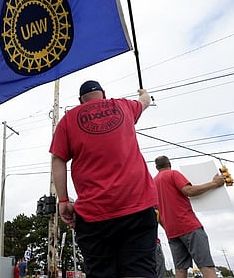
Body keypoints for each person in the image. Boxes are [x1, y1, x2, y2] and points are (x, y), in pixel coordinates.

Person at [50, 80, 158, 277]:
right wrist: (144, 92)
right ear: (104, 94)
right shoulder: (123, 106)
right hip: (137, 208)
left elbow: (58, 160)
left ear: (80, 101)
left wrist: (63, 201)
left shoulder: (68, 120)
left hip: (93, 216)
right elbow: (144, 101)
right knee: (140, 272)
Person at [153, 155, 225, 278]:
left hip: (172, 232)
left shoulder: (153, 183)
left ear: (156, 167)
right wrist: (214, 183)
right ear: (169, 164)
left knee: (180, 270)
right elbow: (189, 191)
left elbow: (156, 213)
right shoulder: (173, 174)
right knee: (206, 267)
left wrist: (167, 228)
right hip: (189, 226)